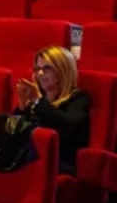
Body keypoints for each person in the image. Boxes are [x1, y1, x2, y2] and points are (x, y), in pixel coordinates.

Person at [15, 46, 91, 176]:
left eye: (47, 68)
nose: (40, 74)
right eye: (37, 68)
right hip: (30, 160)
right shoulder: (37, 101)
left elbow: (67, 127)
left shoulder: (79, 98)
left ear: (63, 70)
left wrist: (37, 100)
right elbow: (12, 132)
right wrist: (22, 108)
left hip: (58, 164)